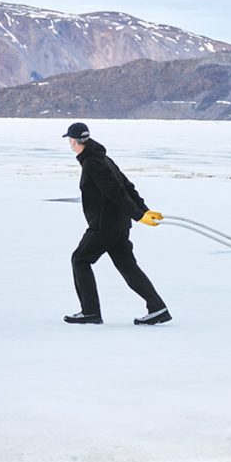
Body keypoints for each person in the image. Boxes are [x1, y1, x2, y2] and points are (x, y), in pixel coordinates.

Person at [62, 121, 171, 325]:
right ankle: (158, 308)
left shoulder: (93, 163)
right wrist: (143, 210)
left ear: (75, 142)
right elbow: (127, 186)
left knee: (80, 260)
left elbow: (117, 192)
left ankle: (90, 312)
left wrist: (140, 215)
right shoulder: (102, 158)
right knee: (127, 266)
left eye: (69, 140)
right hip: (118, 225)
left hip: (105, 226)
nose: (70, 143)